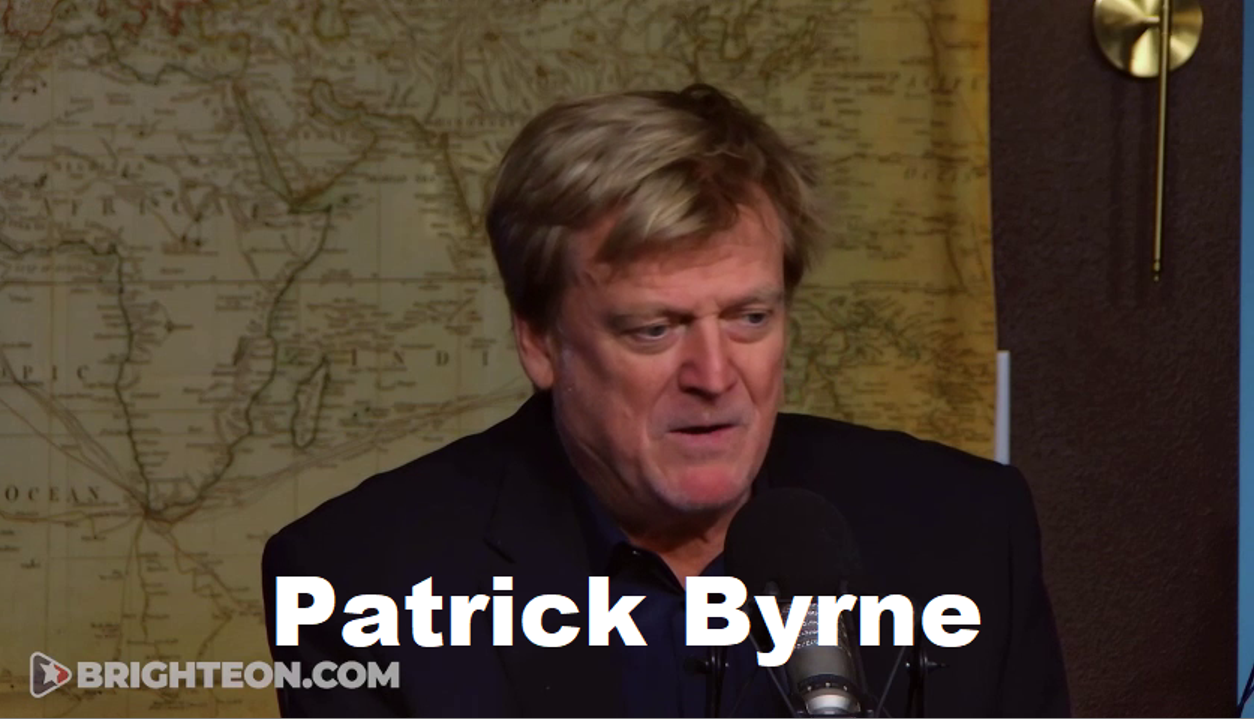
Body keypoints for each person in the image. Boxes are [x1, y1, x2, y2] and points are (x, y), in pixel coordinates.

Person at [262, 83, 1070, 717]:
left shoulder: (968, 532)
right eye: (654, 330)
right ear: (540, 341)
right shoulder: (358, 583)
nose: (714, 376)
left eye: (750, 319)